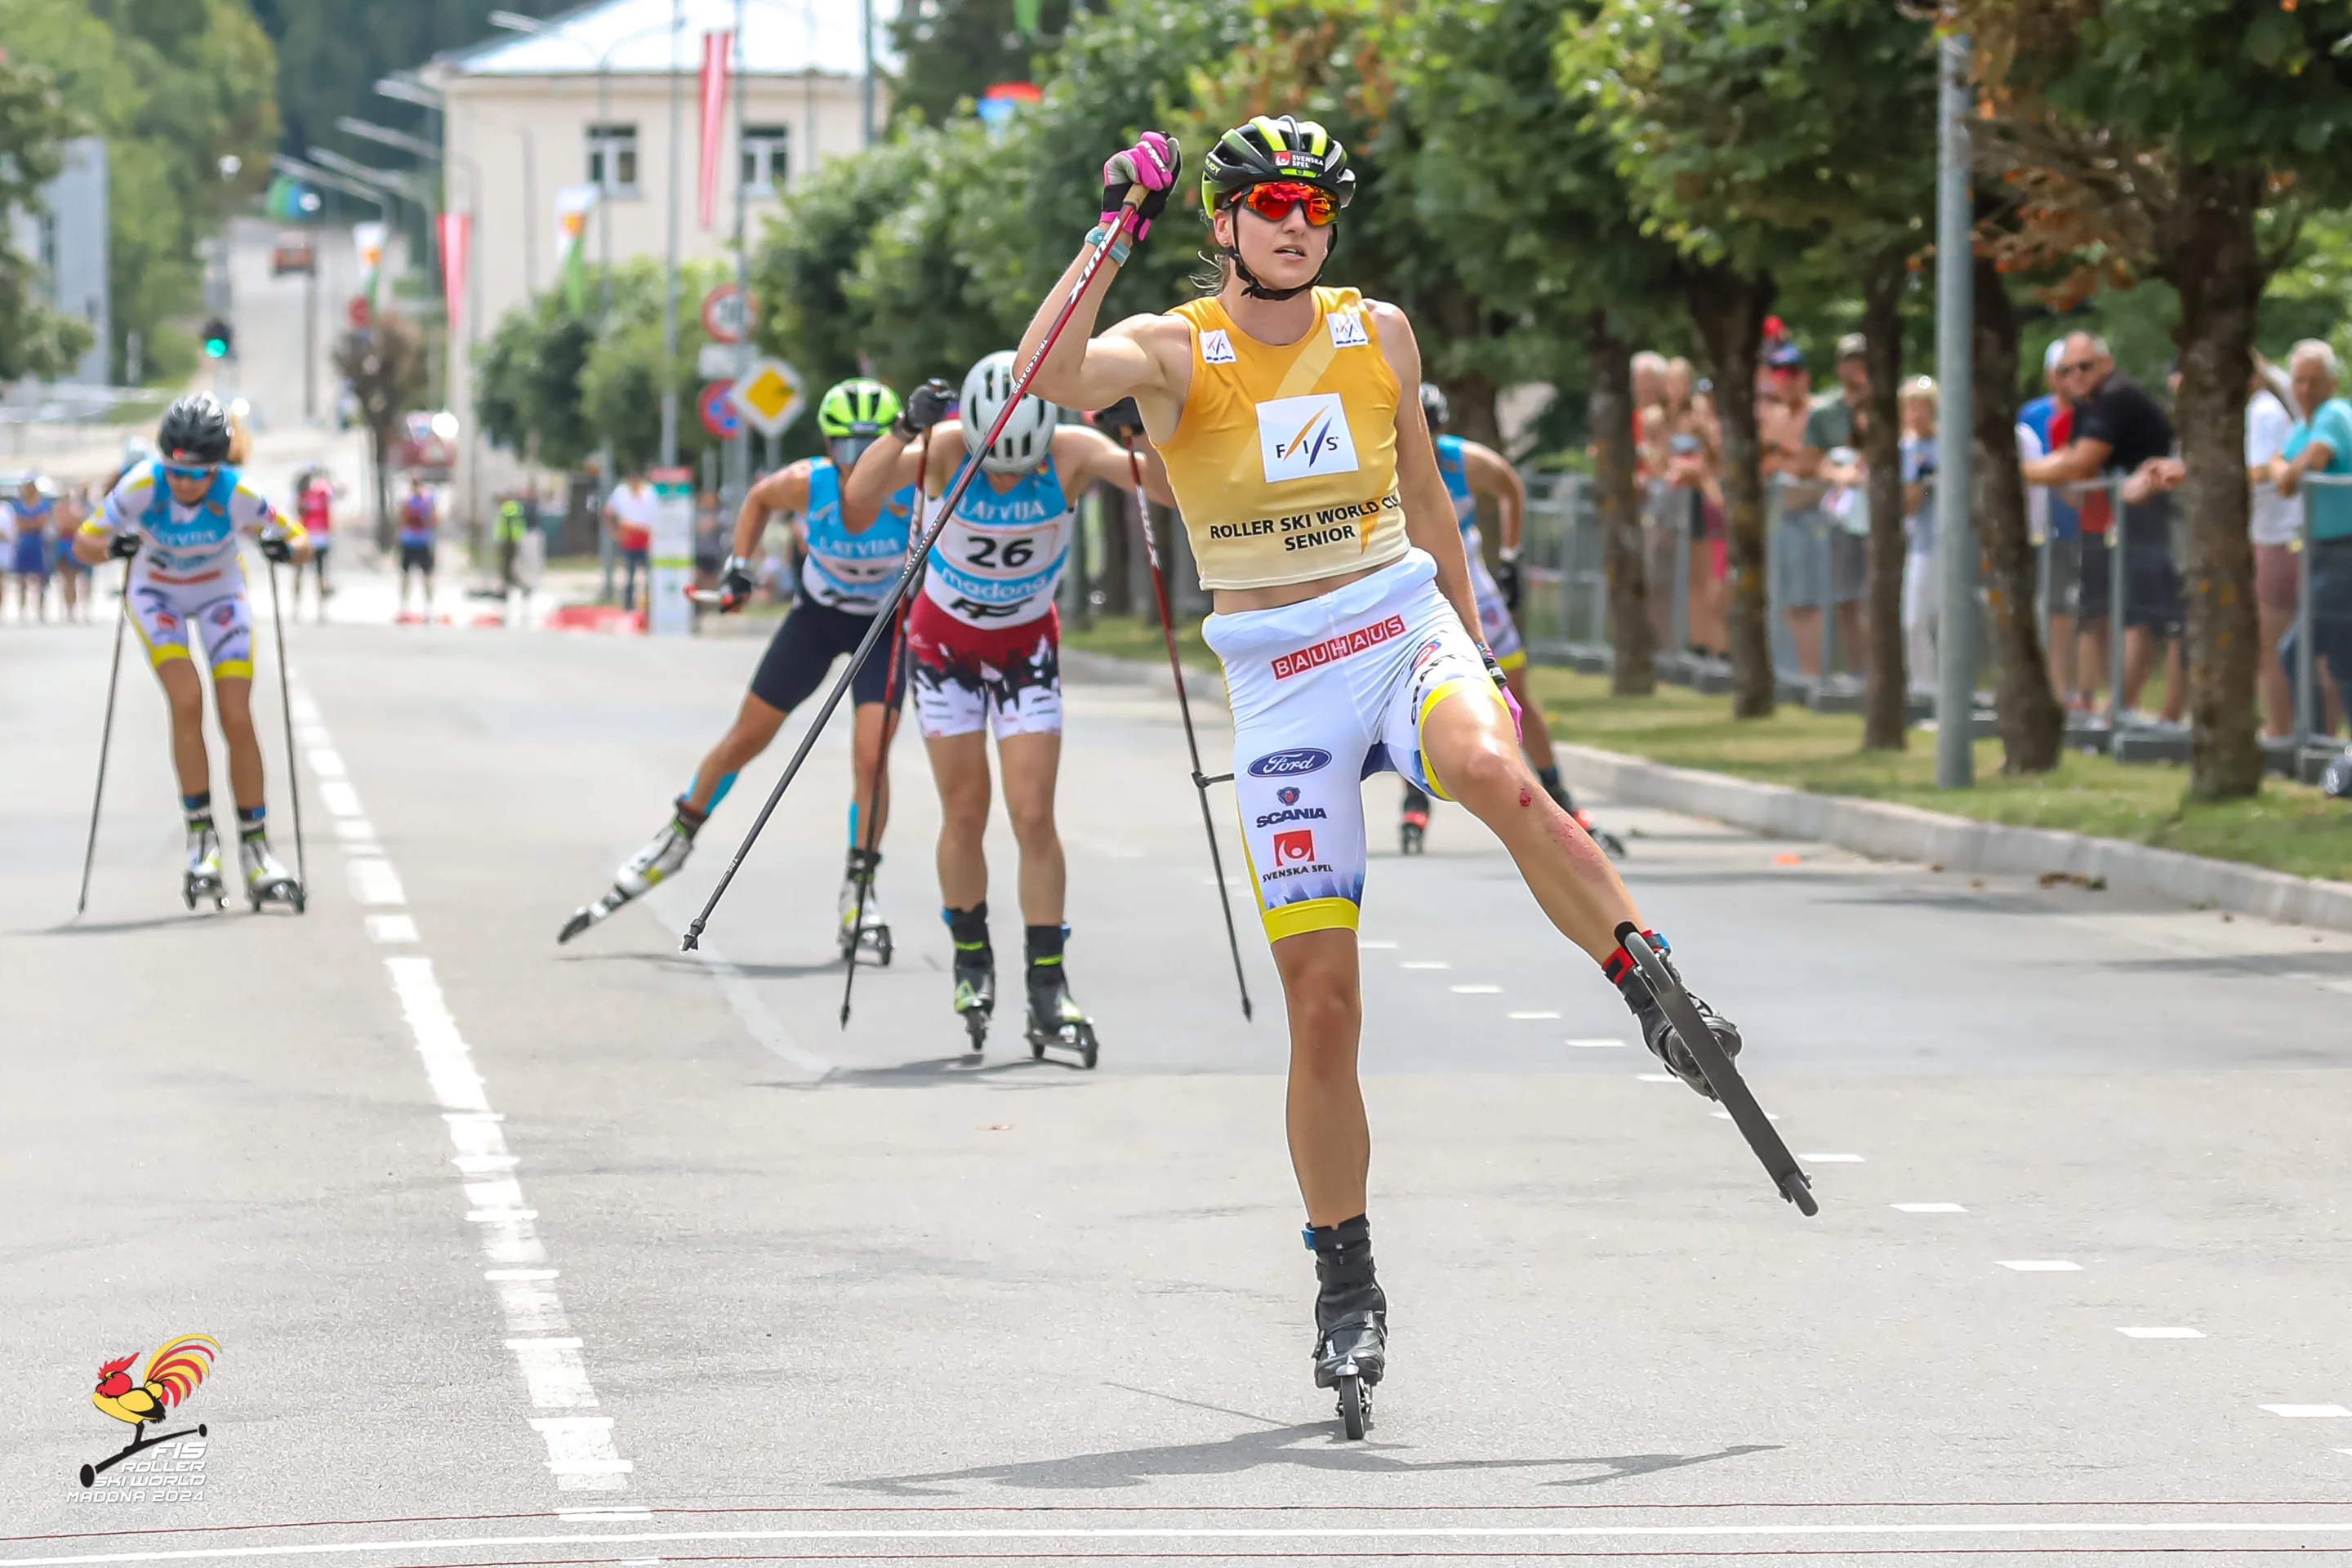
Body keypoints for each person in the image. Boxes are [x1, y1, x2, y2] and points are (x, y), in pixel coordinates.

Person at [1015, 115, 1746, 1420]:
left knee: (1490, 769)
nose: (1297, 222)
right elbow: (1049, 375)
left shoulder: (1382, 333)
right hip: (1280, 674)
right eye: (1272, 201)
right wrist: (1111, 227)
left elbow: (1427, 495)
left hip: (1397, 621)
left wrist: (1491, 660)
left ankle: (1652, 986)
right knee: (1327, 1008)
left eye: (1318, 205)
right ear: (1225, 221)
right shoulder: (1178, 352)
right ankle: (1345, 1280)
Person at [844, 350, 1178, 1060]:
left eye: (1018, 469)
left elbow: (1173, 491)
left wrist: (1141, 427)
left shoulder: (1071, 452)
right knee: (965, 812)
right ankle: (972, 960)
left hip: (1024, 651)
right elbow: (859, 500)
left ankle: (1048, 986)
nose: (1004, 479)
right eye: (993, 465)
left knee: (1033, 815)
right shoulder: (943, 452)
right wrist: (904, 428)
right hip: (943, 653)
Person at [559, 380, 924, 955]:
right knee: (747, 736)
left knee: (872, 756)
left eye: (867, 446)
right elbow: (757, 500)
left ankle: (860, 888)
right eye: (843, 448)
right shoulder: (810, 484)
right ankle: (678, 835)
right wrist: (740, 569)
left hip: (884, 625)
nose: (854, 462)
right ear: (828, 447)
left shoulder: (913, 481)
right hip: (818, 618)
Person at [71, 392, 310, 911]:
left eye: (197, 474)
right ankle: (202, 842)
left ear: (217, 467)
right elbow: (83, 543)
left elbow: (302, 539)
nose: (184, 483)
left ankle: (257, 849)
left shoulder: (239, 492)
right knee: (185, 702)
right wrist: (114, 548)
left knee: (236, 715)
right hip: (157, 595)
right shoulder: (141, 486)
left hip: (221, 594)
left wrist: (282, 547)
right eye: (175, 471)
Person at [1399, 383, 1626, 858]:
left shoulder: (1462, 461)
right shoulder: (1382, 468)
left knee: (1516, 687)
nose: (1426, 440)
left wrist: (1511, 555)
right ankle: (1415, 796)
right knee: (1413, 697)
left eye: (1434, 430)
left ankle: (1558, 791)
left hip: (1473, 586)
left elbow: (1510, 487)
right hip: (1417, 591)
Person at [2022, 332, 2185, 724]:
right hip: (2133, 523)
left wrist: (2017, 472)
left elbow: (2079, 464)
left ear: (2105, 364)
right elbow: (2073, 464)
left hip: (2167, 518)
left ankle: (2146, 715)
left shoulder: (2117, 395)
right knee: (2136, 618)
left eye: (2084, 366)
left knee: (2166, 622)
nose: (2076, 375)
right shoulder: (2088, 403)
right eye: (2066, 370)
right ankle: (2123, 710)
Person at [2270, 340, 2352, 734]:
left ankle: (2315, 743)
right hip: (2320, 552)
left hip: (2344, 553)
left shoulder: (2334, 414)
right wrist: (2282, 468)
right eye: (2299, 381)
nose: (2305, 390)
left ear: (2331, 382)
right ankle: (2333, 752)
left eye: (2314, 381)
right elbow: (2282, 469)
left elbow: (2314, 459)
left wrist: (2286, 469)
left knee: (2295, 650)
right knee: (2342, 657)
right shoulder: (2305, 423)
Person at [2017, 341, 2082, 711]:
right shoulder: (2032, 416)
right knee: (2051, 607)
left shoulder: (2092, 413)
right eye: (2062, 372)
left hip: (2081, 525)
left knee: (2077, 611)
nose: (2070, 380)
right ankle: (2054, 687)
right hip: (2042, 528)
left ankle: (2074, 689)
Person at [2246, 355, 2304, 737]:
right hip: (2272, 536)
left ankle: (2280, 730)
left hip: (2276, 539)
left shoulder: (2262, 411)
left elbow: (2258, 469)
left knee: (2270, 644)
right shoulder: (2266, 408)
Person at [1897, 378, 1940, 694]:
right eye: (1909, 405)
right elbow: (1908, 504)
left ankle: (1949, 689)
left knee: (1945, 621)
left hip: (1951, 546)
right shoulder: (1907, 449)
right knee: (1913, 620)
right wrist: (1918, 475)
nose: (1914, 412)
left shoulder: (1948, 444)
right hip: (1921, 544)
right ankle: (1922, 686)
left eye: (1921, 404)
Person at [605, 471, 658, 613]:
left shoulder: (650, 492)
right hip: (629, 535)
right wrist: (615, 532)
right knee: (630, 573)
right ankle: (629, 606)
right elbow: (609, 512)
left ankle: (649, 606)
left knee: (650, 574)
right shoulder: (621, 492)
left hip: (647, 535)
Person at [7, 474, 56, 622]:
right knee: (21, 578)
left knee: (41, 577)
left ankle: (41, 612)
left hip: (39, 544)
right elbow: (19, 523)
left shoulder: (43, 504)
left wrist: (30, 523)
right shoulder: (18, 504)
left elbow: (42, 522)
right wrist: (32, 523)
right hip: (24, 542)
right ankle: (22, 610)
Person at [396, 476, 437, 622]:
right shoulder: (427, 499)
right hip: (420, 540)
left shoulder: (409, 499)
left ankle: (419, 607)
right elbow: (434, 519)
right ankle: (422, 608)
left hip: (412, 540)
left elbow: (401, 518)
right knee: (421, 576)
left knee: (415, 576)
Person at [296, 469, 336, 616]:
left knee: (314, 573)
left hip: (312, 538)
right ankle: (312, 608)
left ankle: (316, 608)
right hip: (312, 538)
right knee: (316, 573)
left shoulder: (315, 493)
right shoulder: (310, 495)